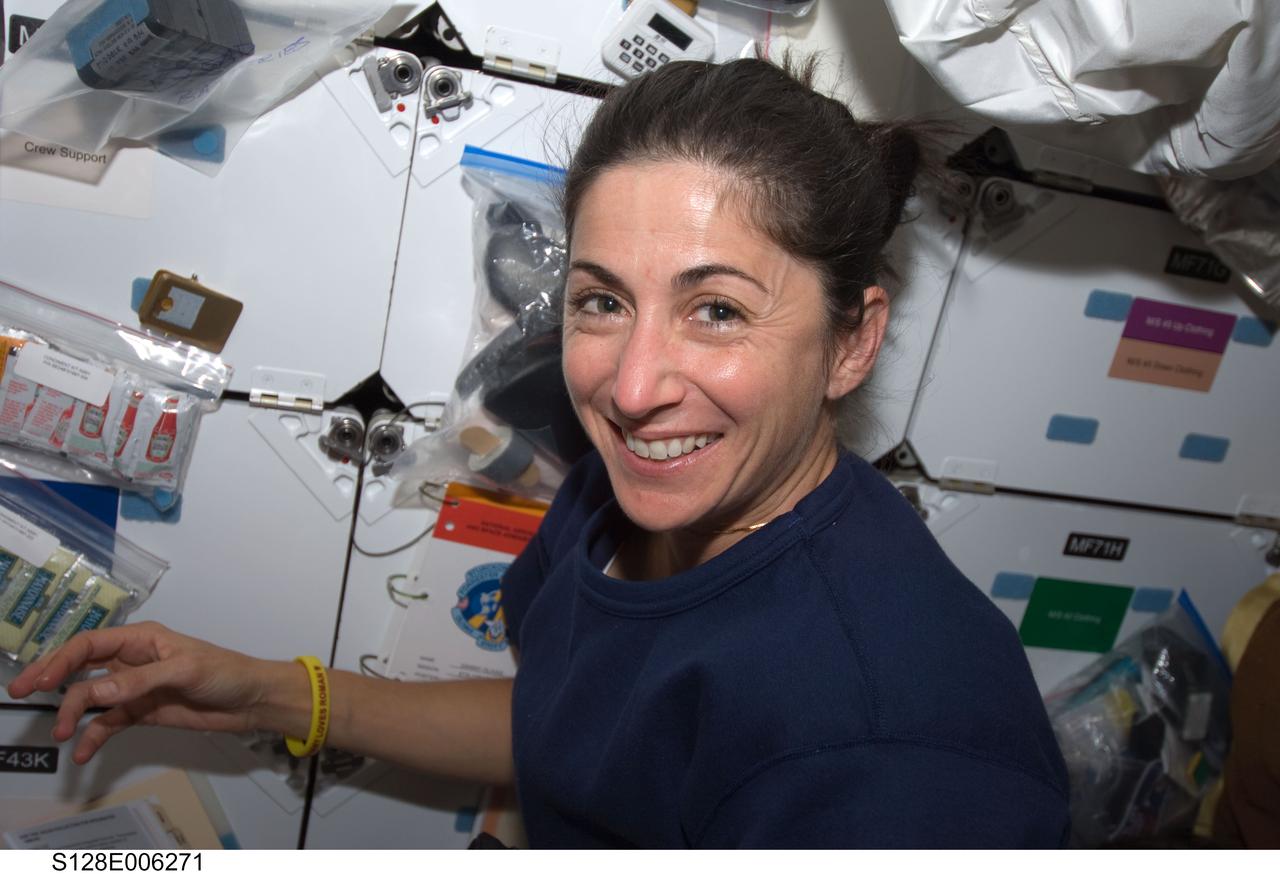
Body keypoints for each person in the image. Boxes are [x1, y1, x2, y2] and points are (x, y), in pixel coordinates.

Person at [8, 57, 1069, 848]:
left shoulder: (897, 749)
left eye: (715, 310)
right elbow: (568, 724)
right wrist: (275, 694)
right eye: (603, 300)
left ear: (850, 342)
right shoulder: (639, 490)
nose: (633, 384)